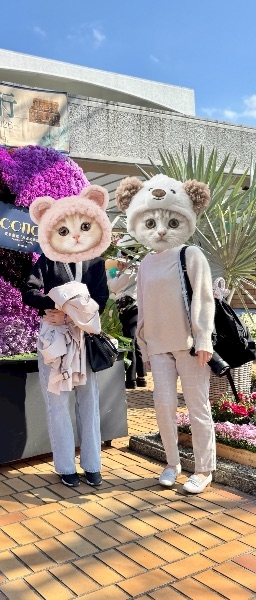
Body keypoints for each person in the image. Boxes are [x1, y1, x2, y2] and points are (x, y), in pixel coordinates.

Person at [116, 174, 216, 494]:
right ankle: (172, 463)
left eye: (171, 222)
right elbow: (143, 307)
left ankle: (204, 469)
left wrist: (203, 338)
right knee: (162, 406)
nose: (160, 230)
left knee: (198, 408)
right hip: (158, 346)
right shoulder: (146, 262)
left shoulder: (191, 254)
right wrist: (144, 348)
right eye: (151, 223)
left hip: (190, 346)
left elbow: (204, 298)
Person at [22, 185, 111, 487]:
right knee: (56, 402)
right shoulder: (47, 260)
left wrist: (70, 315)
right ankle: (65, 466)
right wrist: (55, 306)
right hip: (54, 341)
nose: (73, 235)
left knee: (88, 401)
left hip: (83, 338)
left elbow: (101, 298)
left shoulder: (96, 262)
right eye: (64, 228)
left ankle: (92, 464)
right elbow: (29, 292)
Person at [108, 249, 147, 389]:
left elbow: (114, 287)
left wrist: (116, 274)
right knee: (135, 342)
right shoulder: (138, 270)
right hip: (135, 308)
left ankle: (131, 379)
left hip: (129, 310)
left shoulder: (129, 272)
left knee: (129, 342)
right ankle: (141, 376)